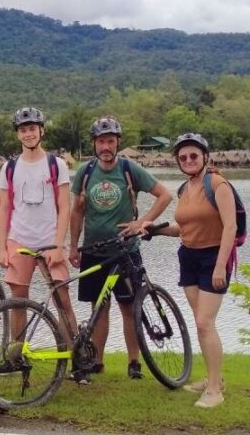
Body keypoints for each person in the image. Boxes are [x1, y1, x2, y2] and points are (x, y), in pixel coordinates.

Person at [69, 116, 172, 382]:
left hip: (126, 251)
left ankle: (134, 362)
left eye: (110, 141)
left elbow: (165, 195)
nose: (106, 146)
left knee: (129, 308)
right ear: (94, 144)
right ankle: (97, 362)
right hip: (93, 249)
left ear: (117, 143)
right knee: (98, 308)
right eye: (101, 141)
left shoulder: (129, 168)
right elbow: (76, 212)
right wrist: (72, 246)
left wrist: (143, 222)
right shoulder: (85, 171)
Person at [143, 133, 233, 408]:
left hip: (213, 258)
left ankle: (215, 390)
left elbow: (230, 227)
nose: (188, 160)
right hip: (188, 257)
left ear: (205, 156)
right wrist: (155, 230)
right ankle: (213, 378)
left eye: (193, 155)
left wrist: (220, 265)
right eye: (183, 157)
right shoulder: (185, 189)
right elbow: (182, 228)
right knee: (202, 323)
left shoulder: (218, 184)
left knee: (205, 323)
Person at [0, 108, 77, 374]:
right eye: (23, 129)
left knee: (62, 300)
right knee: (18, 301)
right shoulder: (10, 167)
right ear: (18, 134)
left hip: (49, 239)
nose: (28, 134)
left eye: (32, 128)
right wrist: (2, 247)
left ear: (41, 131)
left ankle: (76, 359)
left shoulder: (57, 164)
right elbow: (4, 209)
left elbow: (65, 207)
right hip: (19, 239)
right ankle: (16, 357)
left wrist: (58, 244)